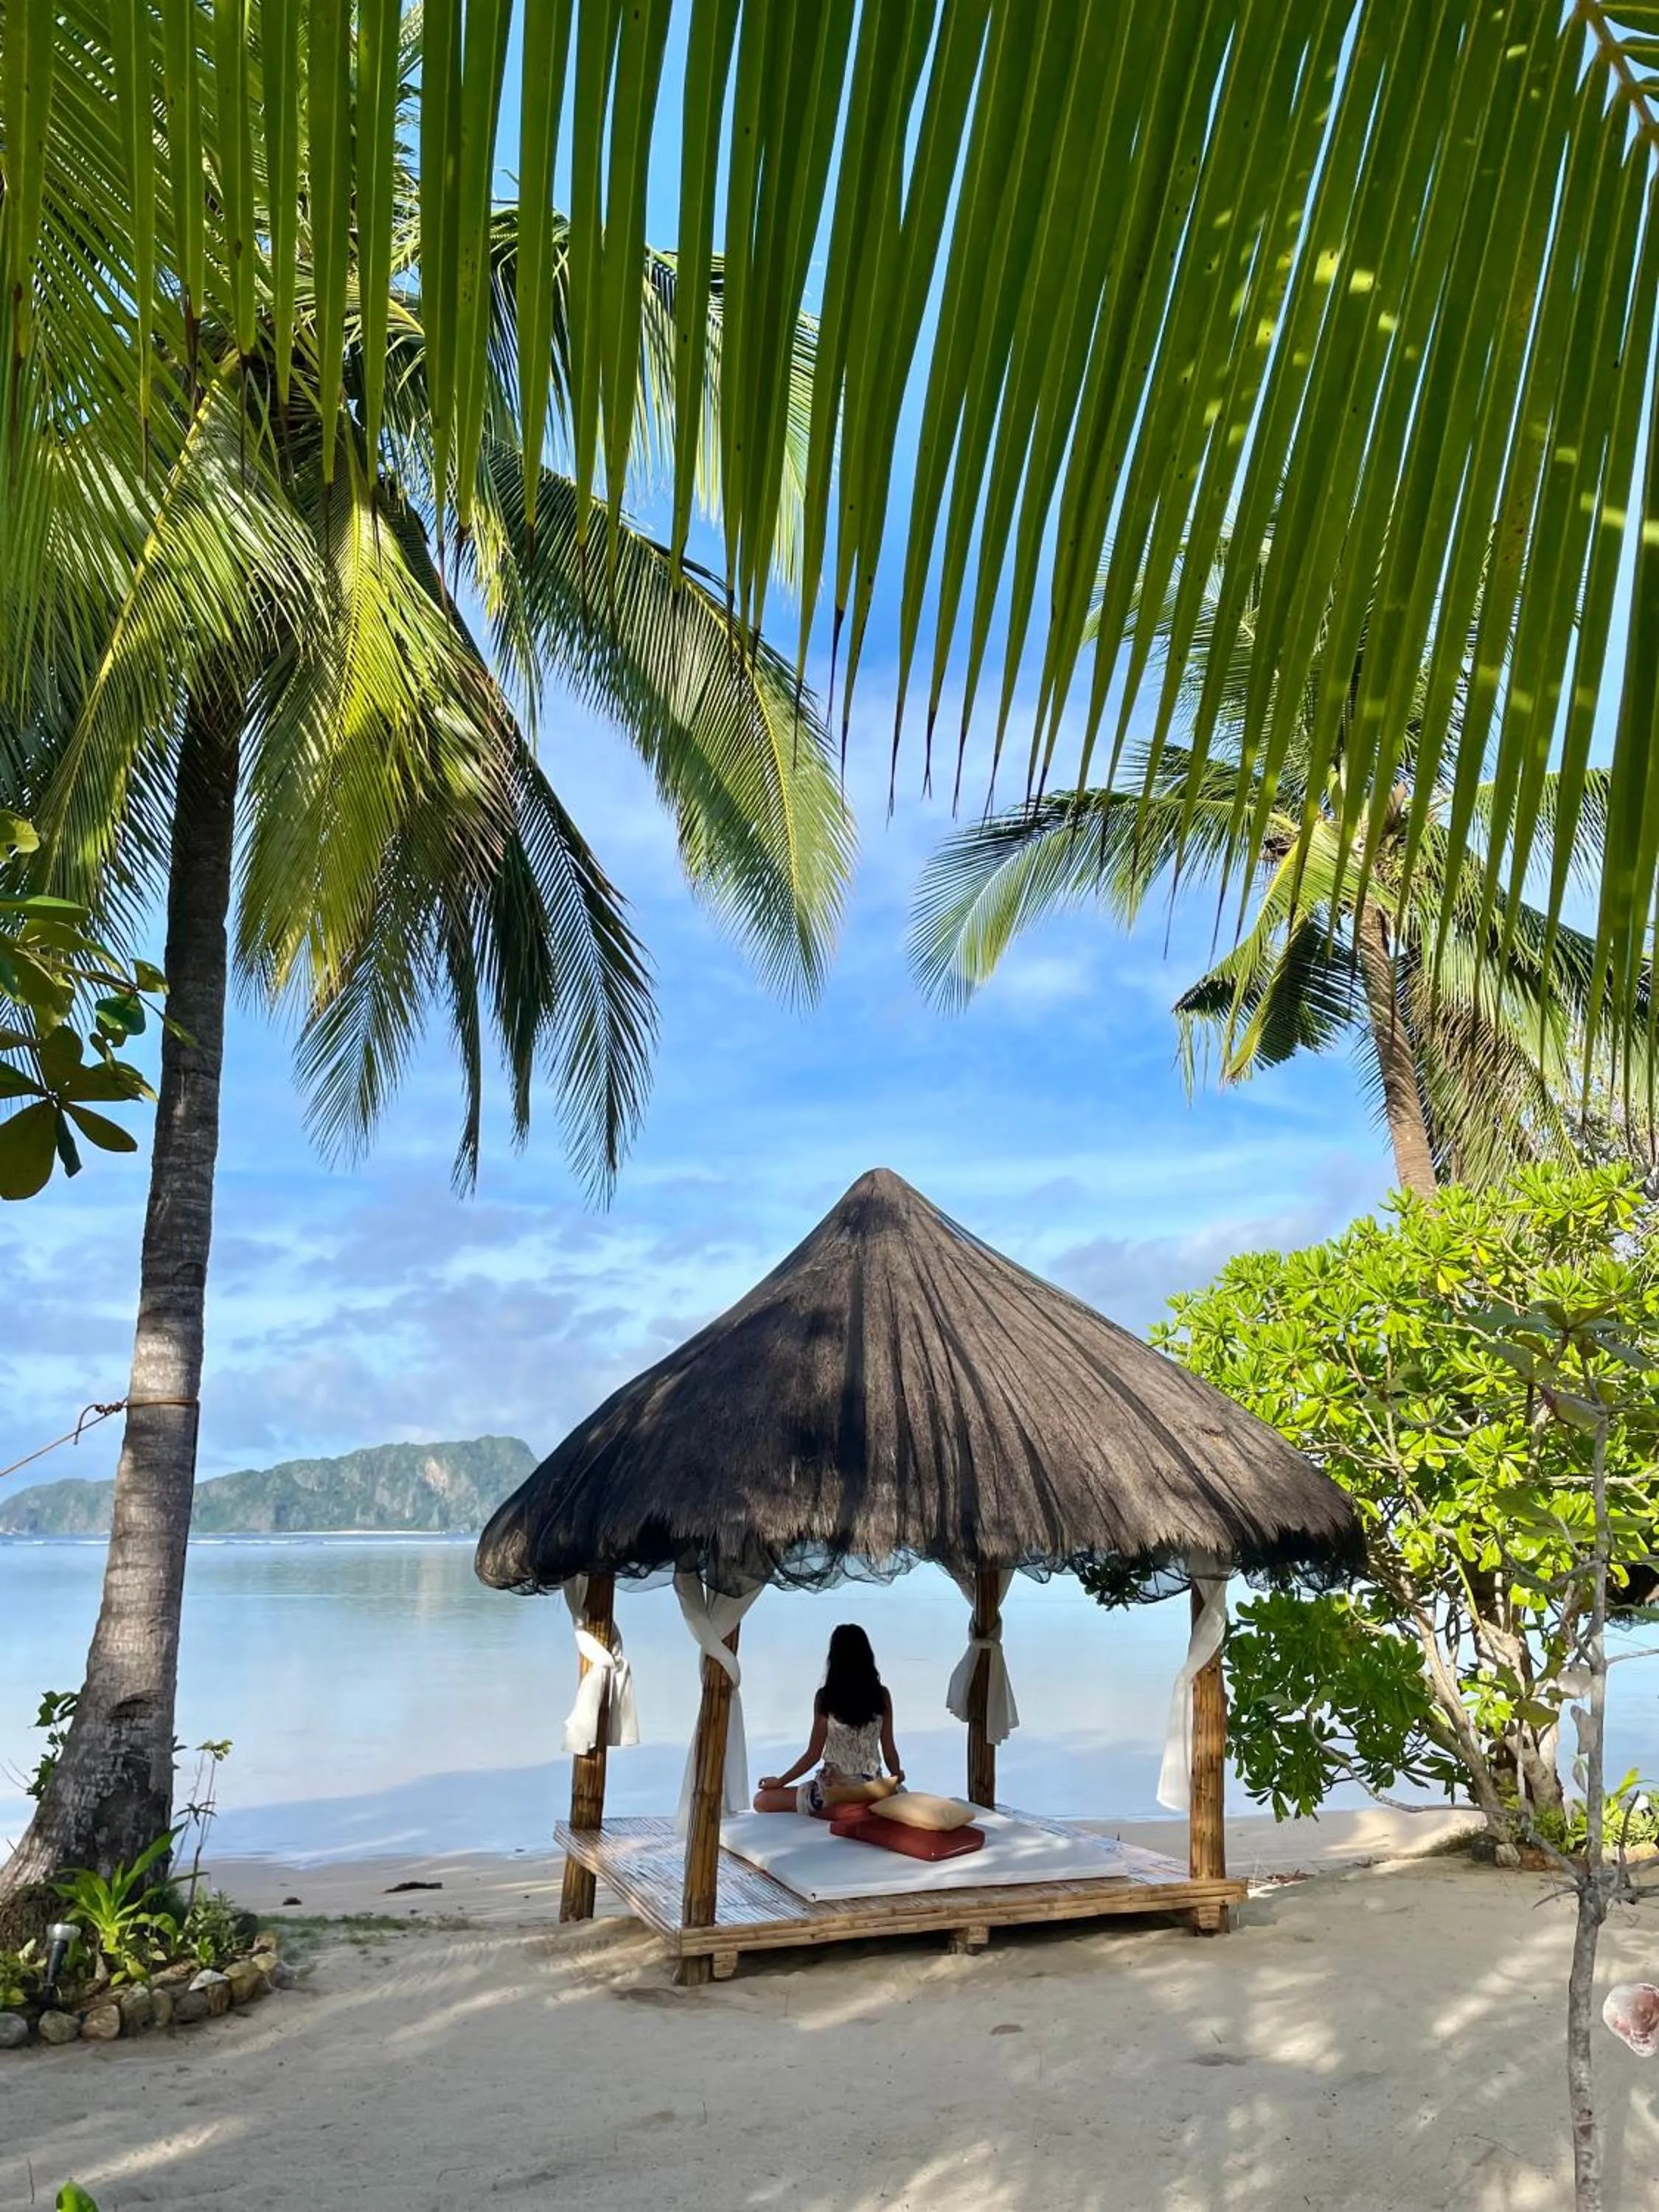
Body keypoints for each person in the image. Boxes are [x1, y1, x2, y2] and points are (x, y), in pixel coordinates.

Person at [754, 1623, 905, 1815]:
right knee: (902, 1796)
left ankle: (841, 1810)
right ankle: (860, 1808)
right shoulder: (882, 1696)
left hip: (832, 1792)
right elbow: (889, 1751)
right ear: (867, 1656)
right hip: (871, 1790)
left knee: (761, 1800)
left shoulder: (825, 1697)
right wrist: (896, 1776)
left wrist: (780, 1781)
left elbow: (813, 1755)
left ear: (834, 1658)